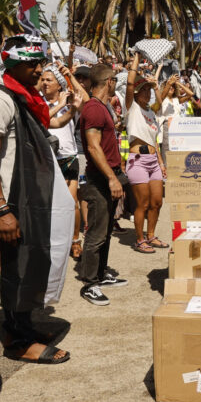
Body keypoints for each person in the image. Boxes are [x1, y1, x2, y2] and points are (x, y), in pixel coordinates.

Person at [0, 35, 73, 363]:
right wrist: (1, 210)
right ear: (14, 64)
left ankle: (23, 325)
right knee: (17, 269)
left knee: (32, 263)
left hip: (33, 197)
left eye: (40, 63)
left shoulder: (25, 98)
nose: (38, 70)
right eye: (32, 64)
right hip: (13, 201)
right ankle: (18, 342)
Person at [78, 63, 128, 306]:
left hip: (108, 175)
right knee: (96, 232)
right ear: (109, 81)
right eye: (115, 78)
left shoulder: (100, 107)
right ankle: (89, 283)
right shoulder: (94, 109)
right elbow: (92, 147)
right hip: (100, 180)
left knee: (106, 229)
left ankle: (100, 274)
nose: (116, 82)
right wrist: (111, 177)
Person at [39, 64, 88, 259]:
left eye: (49, 80)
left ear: (59, 85)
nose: (44, 83)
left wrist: (69, 75)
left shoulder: (69, 101)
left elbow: (86, 101)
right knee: (47, 204)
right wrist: (57, 105)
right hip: (45, 158)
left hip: (67, 157)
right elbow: (40, 119)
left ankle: (75, 240)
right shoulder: (39, 103)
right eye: (42, 79)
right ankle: (51, 241)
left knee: (70, 202)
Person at [124, 53, 167, 254]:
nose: (148, 95)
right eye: (146, 91)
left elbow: (160, 104)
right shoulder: (131, 108)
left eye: (150, 91)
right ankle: (140, 239)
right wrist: (136, 59)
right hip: (138, 160)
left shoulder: (150, 111)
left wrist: (156, 86)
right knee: (142, 203)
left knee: (157, 201)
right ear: (138, 92)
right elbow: (130, 85)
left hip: (153, 159)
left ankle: (152, 235)